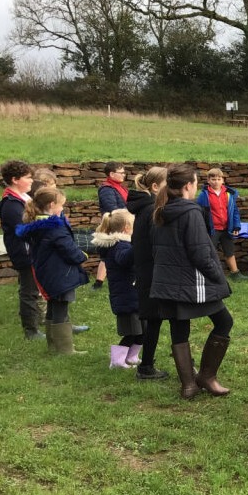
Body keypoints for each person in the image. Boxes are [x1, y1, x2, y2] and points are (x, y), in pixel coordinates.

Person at [150, 164, 235, 399]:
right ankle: (204, 378)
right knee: (224, 321)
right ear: (188, 185)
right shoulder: (190, 212)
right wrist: (219, 277)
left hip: (168, 282)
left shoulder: (161, 210)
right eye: (196, 182)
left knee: (179, 327)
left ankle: (189, 385)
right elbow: (200, 254)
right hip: (190, 282)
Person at [15, 187, 89, 355]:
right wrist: (82, 256)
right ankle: (65, 349)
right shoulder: (55, 227)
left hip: (47, 272)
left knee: (53, 306)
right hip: (60, 273)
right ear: (52, 204)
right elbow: (68, 249)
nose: (62, 208)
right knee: (61, 308)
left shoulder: (35, 225)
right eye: (61, 205)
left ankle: (53, 345)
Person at [126, 167, 170, 380]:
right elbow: (156, 243)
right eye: (168, 184)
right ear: (155, 187)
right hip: (152, 272)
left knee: (154, 319)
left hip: (147, 271)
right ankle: (146, 367)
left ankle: (147, 364)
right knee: (155, 319)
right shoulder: (152, 209)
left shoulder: (147, 207)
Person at [0, 160, 45, 341]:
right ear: (15, 180)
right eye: (28, 177)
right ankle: (31, 331)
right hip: (26, 253)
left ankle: (52, 321)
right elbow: (22, 231)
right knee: (29, 291)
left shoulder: (23, 198)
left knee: (38, 289)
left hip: (34, 250)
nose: (32, 181)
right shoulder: (11, 205)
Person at [92, 209, 144, 369]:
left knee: (142, 331)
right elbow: (124, 259)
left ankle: (131, 356)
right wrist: (137, 245)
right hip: (127, 297)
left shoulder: (123, 244)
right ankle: (117, 361)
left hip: (133, 296)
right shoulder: (119, 245)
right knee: (132, 332)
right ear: (127, 228)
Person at [195, 168, 244, 280]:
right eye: (213, 179)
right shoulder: (204, 195)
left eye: (219, 179)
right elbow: (200, 212)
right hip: (212, 229)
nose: (216, 182)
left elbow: (234, 211)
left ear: (223, 180)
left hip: (227, 228)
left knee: (229, 251)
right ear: (208, 180)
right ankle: (209, 275)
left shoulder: (229, 194)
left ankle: (235, 273)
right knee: (209, 252)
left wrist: (236, 226)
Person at [94, 161, 128, 290]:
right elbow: (111, 207)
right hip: (113, 224)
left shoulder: (120, 187)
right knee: (107, 253)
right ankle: (98, 282)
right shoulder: (106, 189)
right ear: (112, 174)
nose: (124, 175)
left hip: (122, 222)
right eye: (121, 173)